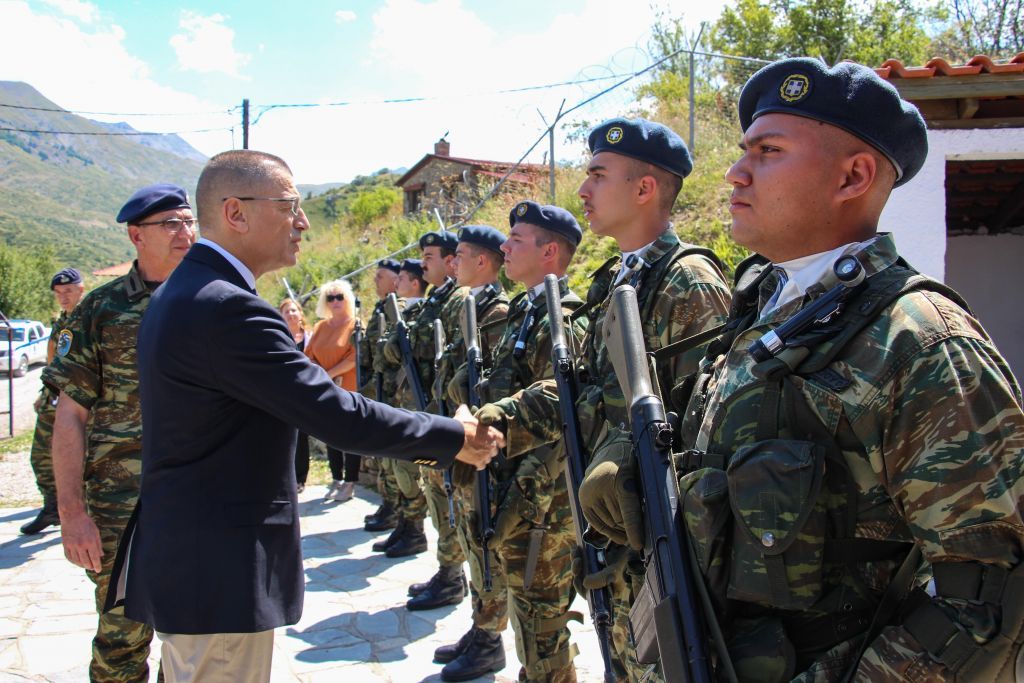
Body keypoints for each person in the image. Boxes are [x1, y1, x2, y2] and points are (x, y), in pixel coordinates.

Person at [610, 58, 1024, 681]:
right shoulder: (766, 308)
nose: (734, 171)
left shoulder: (921, 342)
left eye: (768, 150)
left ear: (853, 176)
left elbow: (988, 602)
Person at [106, 150, 501, 683]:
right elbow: (335, 413)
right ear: (235, 213)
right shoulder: (227, 308)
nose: (303, 221)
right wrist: (454, 436)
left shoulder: (190, 294)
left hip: (197, 563)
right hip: (216, 572)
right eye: (289, 205)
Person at [479, 118, 733, 681]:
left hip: (661, 542)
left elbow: (711, 426)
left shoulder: (686, 281)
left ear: (644, 189)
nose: (583, 191)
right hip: (615, 529)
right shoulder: (616, 279)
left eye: (597, 175)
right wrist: (492, 421)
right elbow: (583, 391)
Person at [44, 184, 196, 682]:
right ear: (137, 235)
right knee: (121, 643)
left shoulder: (216, 299)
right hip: (121, 505)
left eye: (188, 221)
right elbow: (70, 416)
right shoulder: (100, 310)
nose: (184, 232)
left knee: (203, 641)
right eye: (169, 223)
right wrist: (72, 513)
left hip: (203, 499)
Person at [443, 205, 586, 682]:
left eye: (516, 240)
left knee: (542, 622)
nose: (504, 248)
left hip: (543, 502)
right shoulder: (527, 310)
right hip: (514, 494)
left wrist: (494, 415)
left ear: (549, 251)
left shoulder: (563, 317)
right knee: (526, 614)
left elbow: (560, 403)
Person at [385, 230, 474, 605]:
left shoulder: (458, 301)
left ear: (452, 261)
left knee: (447, 496)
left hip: (444, 414)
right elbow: (394, 350)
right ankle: (447, 571)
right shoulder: (433, 301)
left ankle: (453, 576)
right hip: (424, 408)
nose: (423, 263)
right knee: (436, 495)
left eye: (431, 256)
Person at [372, 258, 433, 553]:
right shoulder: (404, 310)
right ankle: (406, 524)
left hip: (413, 402)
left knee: (409, 470)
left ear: (415, 283)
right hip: (397, 397)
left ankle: (414, 529)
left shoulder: (421, 311)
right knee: (396, 466)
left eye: (402, 279)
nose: (396, 284)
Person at [20, 267, 86, 535]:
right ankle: (52, 508)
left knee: (84, 458)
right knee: (41, 455)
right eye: (59, 293)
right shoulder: (62, 321)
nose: (63, 297)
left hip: (80, 400)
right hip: (54, 398)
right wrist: (44, 392)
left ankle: (85, 509)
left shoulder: (90, 319)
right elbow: (54, 362)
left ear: (81, 289)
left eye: (68, 291)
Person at [305, 278, 361, 503]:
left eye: (340, 296)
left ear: (347, 298)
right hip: (326, 389)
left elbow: (353, 357)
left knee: (351, 437)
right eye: (331, 297)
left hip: (348, 388)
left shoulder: (355, 324)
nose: (336, 301)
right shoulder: (320, 326)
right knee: (330, 435)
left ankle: (350, 483)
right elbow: (308, 355)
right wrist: (321, 375)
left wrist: (328, 374)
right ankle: (336, 478)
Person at [361, 258, 402, 531]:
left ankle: (397, 512)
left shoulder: (400, 308)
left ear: (395, 280)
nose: (375, 281)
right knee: (383, 455)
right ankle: (389, 505)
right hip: (378, 385)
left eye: (381, 276)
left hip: (393, 389)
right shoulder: (381, 307)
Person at [279, 297, 312, 493]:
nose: (291, 314)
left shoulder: (310, 337)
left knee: (303, 437)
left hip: (305, 391)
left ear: (300, 313)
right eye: (286, 311)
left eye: (294, 310)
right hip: (285, 392)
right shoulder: (279, 337)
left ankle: (301, 478)